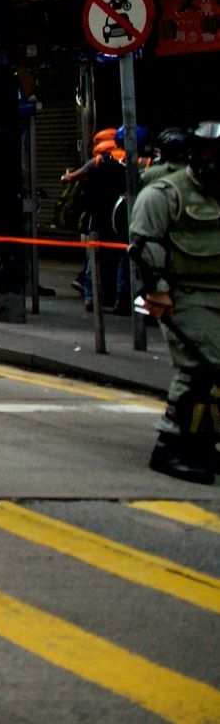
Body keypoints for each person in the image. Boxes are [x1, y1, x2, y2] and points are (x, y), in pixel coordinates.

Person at [128, 122, 220, 484]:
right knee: (200, 368)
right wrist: (158, 290)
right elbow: (145, 244)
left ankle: (203, 443)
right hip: (186, 296)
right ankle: (171, 445)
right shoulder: (166, 193)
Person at [61, 132, 131, 312]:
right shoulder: (135, 160)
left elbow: (70, 178)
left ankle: (90, 296)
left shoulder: (99, 161)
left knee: (95, 255)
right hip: (121, 217)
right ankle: (120, 299)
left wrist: (68, 175)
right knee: (122, 256)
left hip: (99, 215)